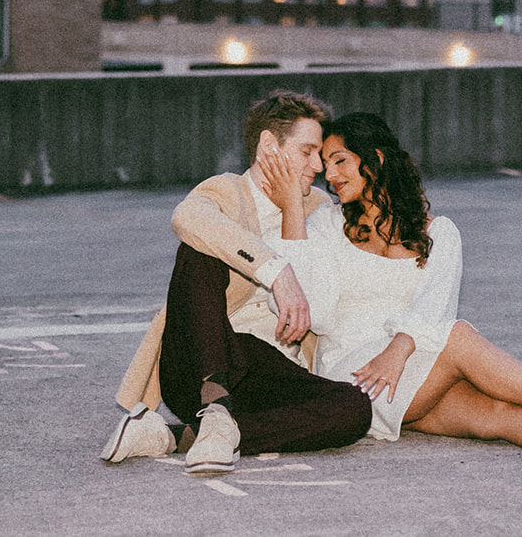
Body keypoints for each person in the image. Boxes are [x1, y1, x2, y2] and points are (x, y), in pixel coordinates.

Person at [260, 112, 522, 461]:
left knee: (496, 417)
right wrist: (293, 207)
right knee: (458, 336)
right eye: (325, 165)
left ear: (376, 160)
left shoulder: (440, 233)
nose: (328, 176)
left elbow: (437, 307)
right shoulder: (327, 226)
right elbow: (315, 311)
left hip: (409, 364)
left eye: (339, 161)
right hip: (355, 375)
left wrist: (397, 351)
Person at [101, 90, 371, 475]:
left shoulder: (319, 209)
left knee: (354, 410)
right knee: (198, 249)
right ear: (268, 145)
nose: (319, 166)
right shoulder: (226, 191)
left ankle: (179, 437)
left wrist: (293, 205)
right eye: (307, 151)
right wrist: (276, 270)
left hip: (269, 371)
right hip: (198, 362)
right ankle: (216, 404)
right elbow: (187, 218)